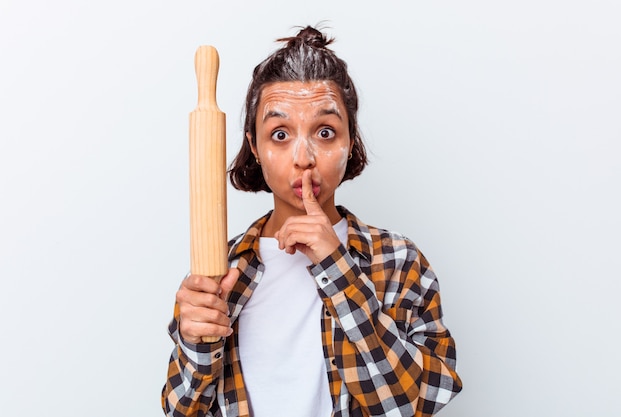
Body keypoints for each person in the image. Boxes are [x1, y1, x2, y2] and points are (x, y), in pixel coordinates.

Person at [162, 26, 462, 417]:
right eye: (280, 134)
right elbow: (181, 411)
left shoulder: (400, 262)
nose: (303, 157)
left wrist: (339, 270)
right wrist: (197, 343)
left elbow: (412, 405)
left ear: (351, 141)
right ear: (254, 145)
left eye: (324, 132)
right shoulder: (218, 272)